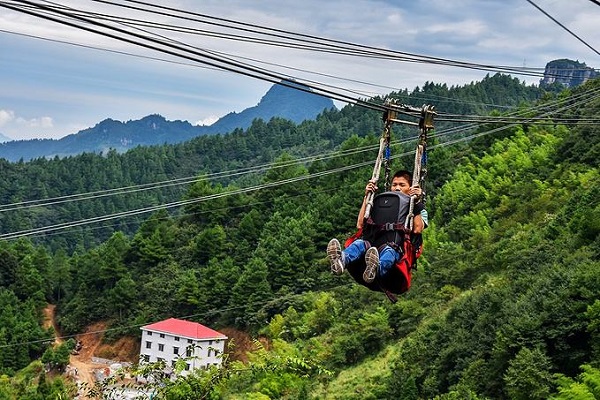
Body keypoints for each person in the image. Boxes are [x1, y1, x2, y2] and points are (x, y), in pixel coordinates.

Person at [327, 170, 425, 285]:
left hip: (396, 250)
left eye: (402, 185)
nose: (397, 188)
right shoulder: (381, 203)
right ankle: (340, 261)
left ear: (410, 188)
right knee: (359, 243)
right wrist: (367, 197)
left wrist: (417, 202)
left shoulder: (416, 207)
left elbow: (418, 229)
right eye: (394, 185)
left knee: (389, 251)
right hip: (372, 247)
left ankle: (375, 269)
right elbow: (360, 224)